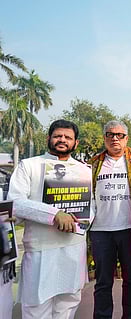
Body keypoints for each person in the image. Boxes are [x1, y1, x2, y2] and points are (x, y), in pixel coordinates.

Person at [7, 119, 92, 319]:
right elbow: (16, 202)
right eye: (57, 136)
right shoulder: (29, 166)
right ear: (49, 139)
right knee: (36, 307)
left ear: (75, 143)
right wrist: (54, 215)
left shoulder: (83, 170)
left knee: (68, 305)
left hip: (74, 246)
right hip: (41, 249)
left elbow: (91, 205)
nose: (62, 140)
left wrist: (82, 220)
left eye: (67, 137)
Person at [89, 120, 131, 319]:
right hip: (100, 230)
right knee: (103, 281)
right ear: (104, 138)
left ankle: (130, 316)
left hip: (129, 229)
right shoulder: (93, 163)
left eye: (119, 135)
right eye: (110, 134)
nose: (115, 138)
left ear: (126, 138)